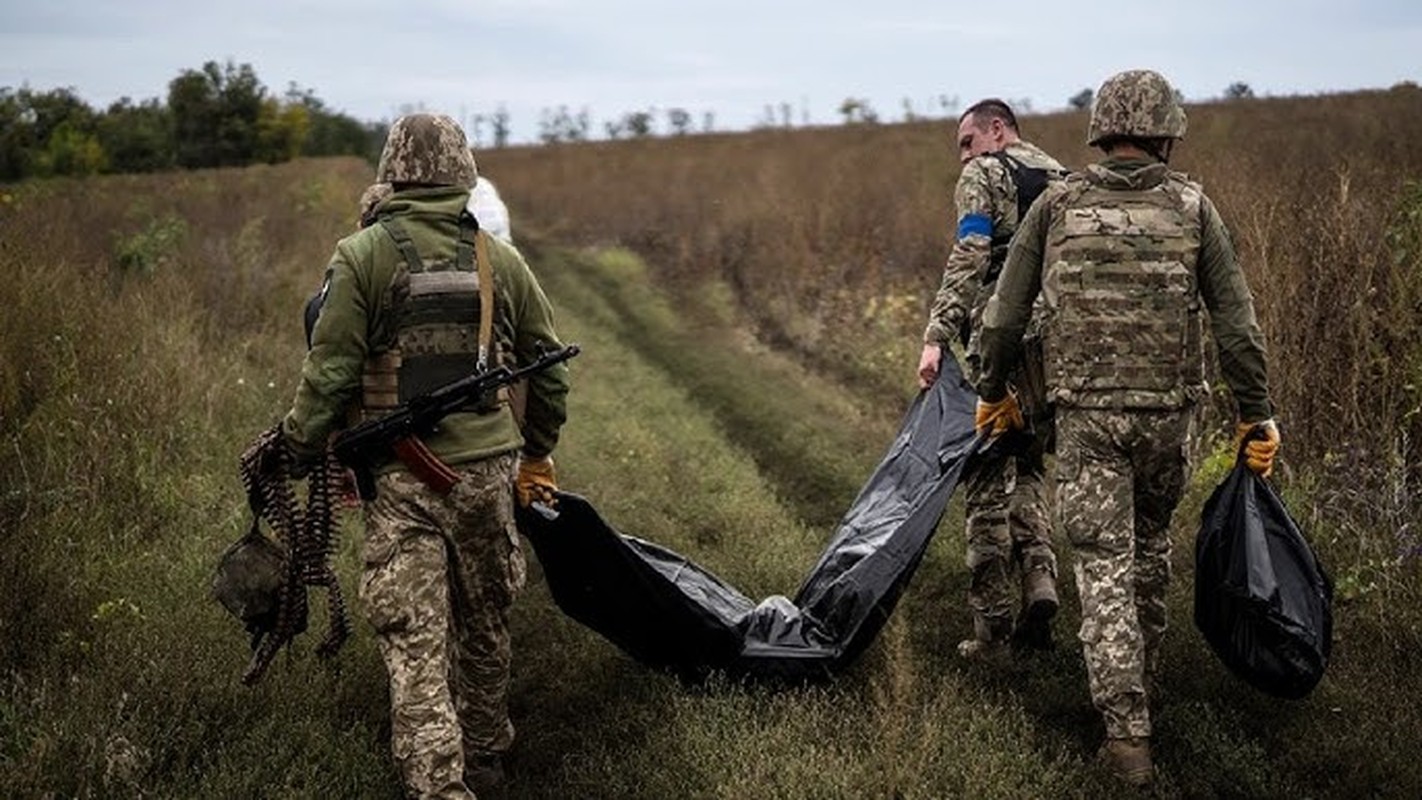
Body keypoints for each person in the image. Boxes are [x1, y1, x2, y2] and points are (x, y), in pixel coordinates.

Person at [972, 70, 1279, 786]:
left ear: (1100, 131)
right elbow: (1237, 323)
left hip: (1084, 417)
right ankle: (1142, 692)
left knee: (1102, 561)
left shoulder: (1056, 206)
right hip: (1169, 416)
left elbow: (1004, 318)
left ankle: (1125, 734)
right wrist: (1254, 412)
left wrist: (992, 390)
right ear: (1166, 131)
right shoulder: (1194, 209)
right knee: (1147, 551)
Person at [279, 112, 570, 799]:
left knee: (414, 638)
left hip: (402, 483)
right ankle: (487, 756)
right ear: (462, 173)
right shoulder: (500, 260)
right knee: (486, 619)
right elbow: (549, 371)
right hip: (489, 476)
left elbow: (329, 375)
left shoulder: (361, 256)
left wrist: (297, 447)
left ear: (392, 174)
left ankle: (439, 785)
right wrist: (538, 451)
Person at [916, 98, 1066, 658]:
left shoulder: (985, 174)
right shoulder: (1063, 178)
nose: (963, 158)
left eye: (966, 142)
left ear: (996, 130)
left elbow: (970, 254)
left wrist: (936, 334)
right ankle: (1041, 581)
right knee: (1028, 465)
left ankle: (993, 632)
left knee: (983, 477)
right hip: (1056, 353)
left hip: (1000, 348)